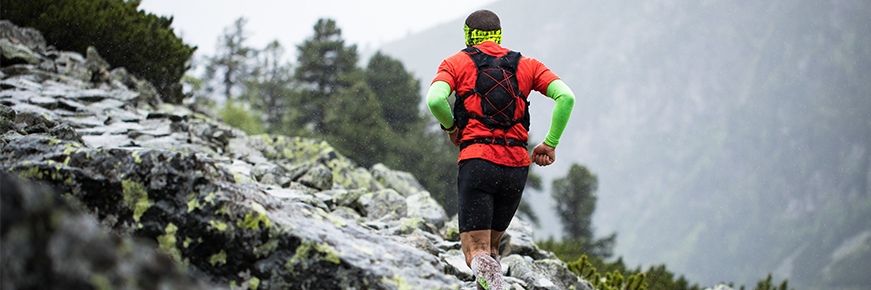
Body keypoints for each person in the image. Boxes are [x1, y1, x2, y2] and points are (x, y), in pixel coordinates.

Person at [425, 9, 575, 290]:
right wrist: (550, 143)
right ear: (499, 35)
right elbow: (566, 97)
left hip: (477, 162)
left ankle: (495, 286)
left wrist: (452, 127)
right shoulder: (528, 65)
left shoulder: (455, 63)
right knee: (492, 249)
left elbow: (435, 100)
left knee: (476, 251)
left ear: (468, 35)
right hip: (516, 166)